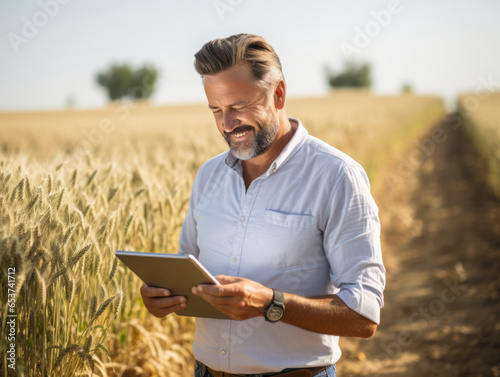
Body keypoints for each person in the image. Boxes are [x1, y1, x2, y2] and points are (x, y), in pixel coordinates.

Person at [140, 33, 385, 377]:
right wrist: (164, 297)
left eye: (238, 107)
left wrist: (270, 304)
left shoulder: (336, 176)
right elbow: (190, 271)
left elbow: (364, 316)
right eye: (216, 110)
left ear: (279, 94)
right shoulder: (209, 175)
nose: (226, 125)